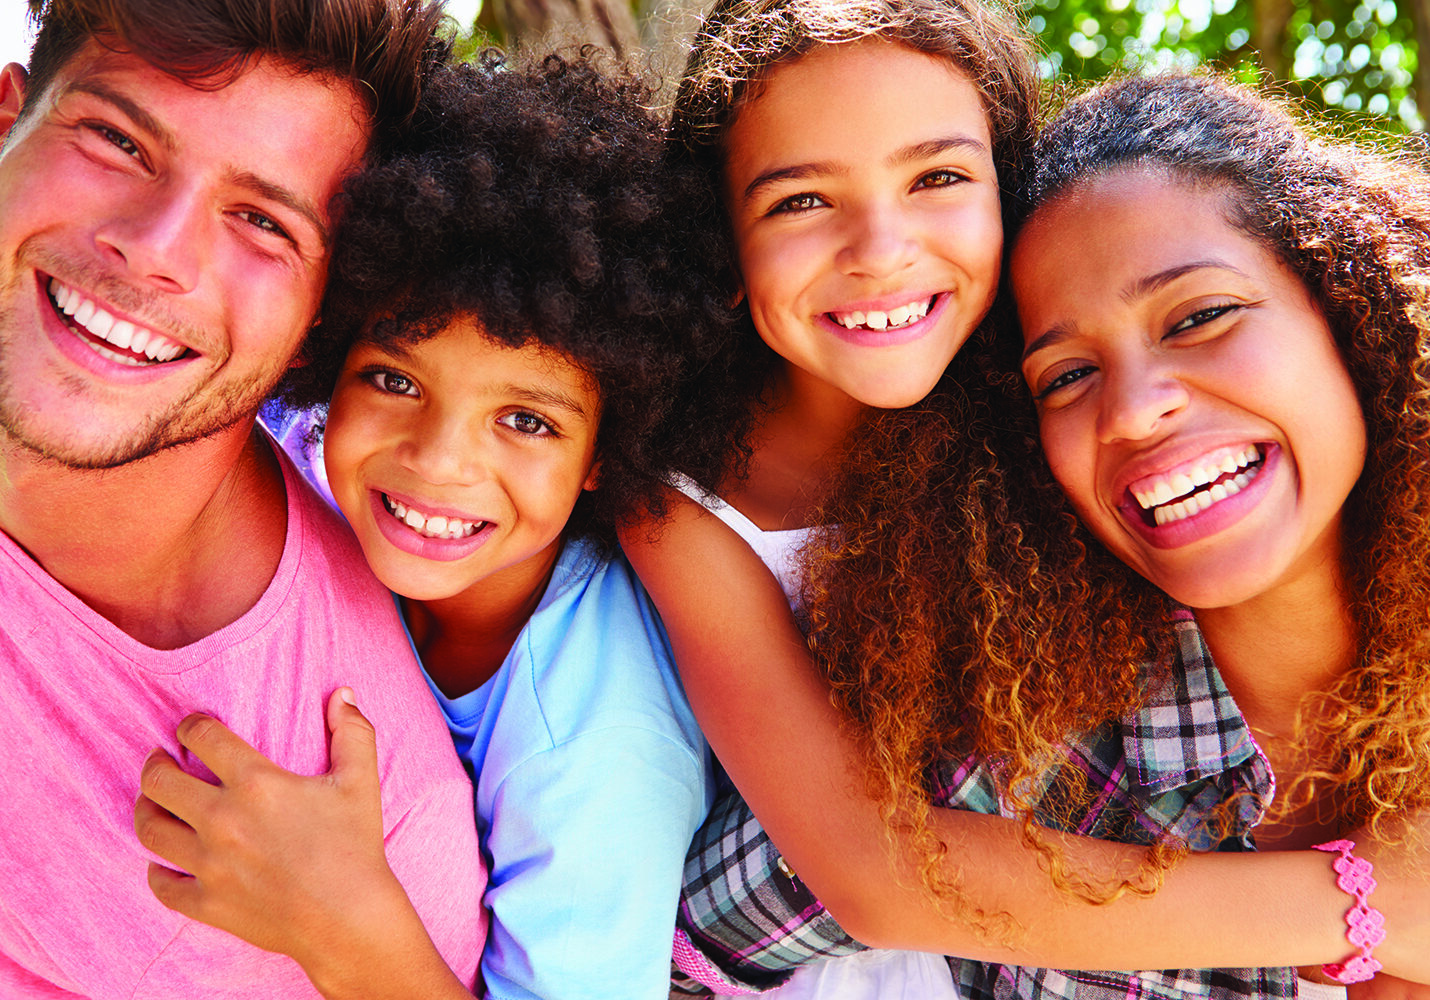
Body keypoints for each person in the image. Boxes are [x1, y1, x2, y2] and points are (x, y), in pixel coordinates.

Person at [619, 0, 1430, 995]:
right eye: (1065, 376)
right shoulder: (1014, 699)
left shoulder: (1009, 525)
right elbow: (815, 890)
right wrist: (1359, 905)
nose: (1135, 409)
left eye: (1202, 316)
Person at [133, 51, 747, 1000]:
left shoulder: (593, 742)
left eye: (526, 420)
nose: (438, 460)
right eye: (394, 379)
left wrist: (338, 921)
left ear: (601, 458)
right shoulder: (300, 450)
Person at [0, 1, 485, 996]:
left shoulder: (355, 830)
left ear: (319, 322)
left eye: (263, 221)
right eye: (116, 140)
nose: (154, 248)